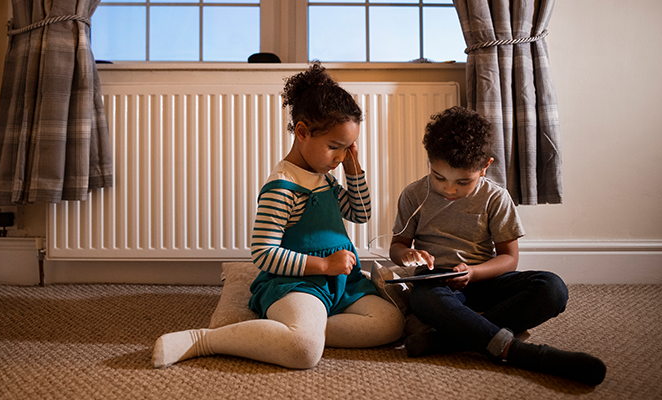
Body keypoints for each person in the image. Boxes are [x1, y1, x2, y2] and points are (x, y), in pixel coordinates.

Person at [152, 62, 403, 369]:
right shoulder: (283, 187)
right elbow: (263, 252)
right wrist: (323, 264)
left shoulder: (325, 177)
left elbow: (360, 213)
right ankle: (206, 339)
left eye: (348, 148)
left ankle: (302, 327)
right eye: (334, 147)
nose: (340, 158)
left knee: (391, 323)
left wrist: (355, 171)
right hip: (298, 282)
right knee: (304, 351)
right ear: (302, 132)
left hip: (339, 282)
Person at [389, 106, 606, 386]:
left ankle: (444, 340)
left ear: (485, 166)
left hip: (483, 279)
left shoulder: (496, 198)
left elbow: (509, 259)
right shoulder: (414, 194)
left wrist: (473, 273)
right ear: (429, 162)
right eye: (439, 177)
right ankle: (518, 352)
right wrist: (407, 254)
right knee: (423, 298)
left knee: (552, 287)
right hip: (437, 282)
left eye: (463, 182)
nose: (450, 189)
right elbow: (397, 247)